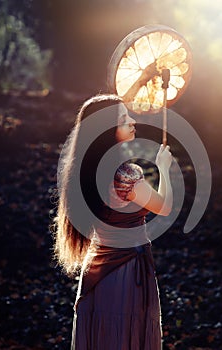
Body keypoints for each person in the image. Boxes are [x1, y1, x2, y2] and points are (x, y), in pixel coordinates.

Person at [52, 94, 173, 350]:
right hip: (125, 275)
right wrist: (163, 168)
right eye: (122, 119)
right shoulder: (124, 175)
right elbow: (164, 207)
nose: (131, 121)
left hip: (97, 273)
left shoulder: (86, 170)